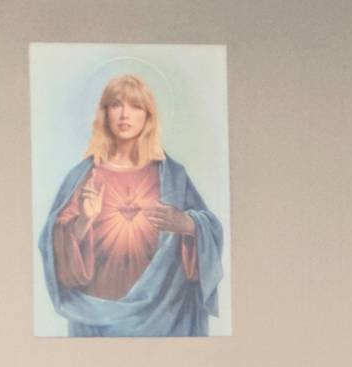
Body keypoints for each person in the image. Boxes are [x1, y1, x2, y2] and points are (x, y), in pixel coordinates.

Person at [38, 74, 224, 337]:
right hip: (97, 316)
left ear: (148, 116)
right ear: (104, 113)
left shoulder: (173, 175)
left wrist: (188, 224)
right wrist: (83, 221)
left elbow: (211, 230)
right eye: (116, 104)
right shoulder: (84, 176)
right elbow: (54, 247)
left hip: (165, 314)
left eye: (135, 106)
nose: (124, 114)